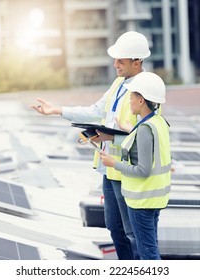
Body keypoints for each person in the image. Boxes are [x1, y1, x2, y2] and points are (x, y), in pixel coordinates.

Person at [31, 31, 151, 260]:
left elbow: (148, 136)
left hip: (127, 172)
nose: (115, 64)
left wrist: (112, 138)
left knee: (132, 234)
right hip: (110, 169)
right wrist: (57, 110)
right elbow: (96, 112)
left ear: (137, 62)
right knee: (115, 229)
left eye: (121, 60)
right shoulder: (119, 83)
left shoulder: (148, 89)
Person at [100, 72, 171, 260]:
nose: (129, 100)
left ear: (141, 100)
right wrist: (129, 130)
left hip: (142, 201)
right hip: (153, 199)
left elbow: (143, 170)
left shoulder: (145, 129)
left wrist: (113, 163)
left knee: (148, 255)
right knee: (150, 249)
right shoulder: (157, 122)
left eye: (131, 96)